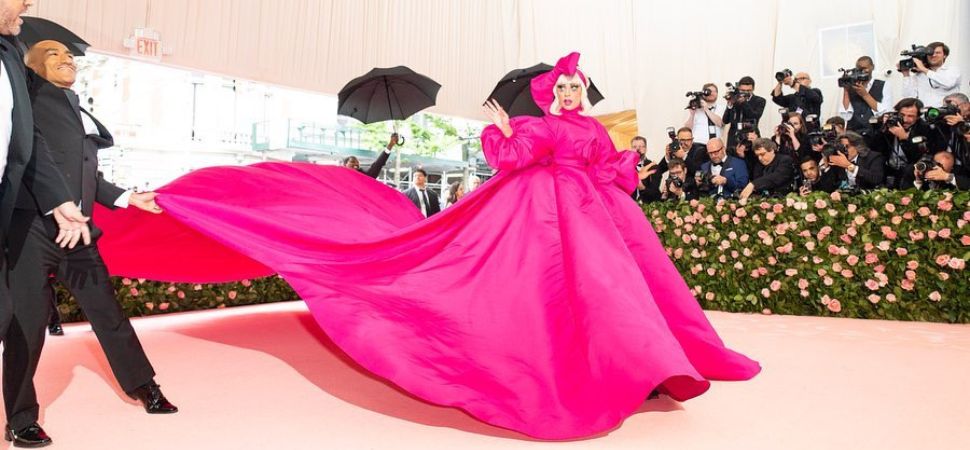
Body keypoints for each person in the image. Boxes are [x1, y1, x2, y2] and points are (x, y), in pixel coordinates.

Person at [90, 52, 760, 440]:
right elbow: (550, 163)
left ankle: (637, 371)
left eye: (574, 88)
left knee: (608, 298)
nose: (569, 93)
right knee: (588, 299)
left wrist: (531, 142)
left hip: (586, 220)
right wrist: (522, 140)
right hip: (569, 221)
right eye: (563, 88)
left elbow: (558, 163)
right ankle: (626, 373)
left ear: (581, 92)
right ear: (553, 92)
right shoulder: (566, 128)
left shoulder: (574, 130)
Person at [4, 41, 179, 437]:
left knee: (109, 316)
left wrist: (127, 197)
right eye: (53, 54)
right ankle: (21, 420)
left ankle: (144, 387)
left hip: (79, 233)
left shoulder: (74, 106)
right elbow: (29, 162)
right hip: (33, 230)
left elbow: (87, 177)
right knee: (26, 328)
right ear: (30, 66)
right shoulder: (26, 101)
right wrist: (56, 206)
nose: (67, 59)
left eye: (69, 55)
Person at [0, 2, 92, 446]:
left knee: (15, 320)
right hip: (23, 226)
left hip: (39, 217)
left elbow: (27, 142)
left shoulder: (12, 57)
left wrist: (60, 201)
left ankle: (19, 417)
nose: (27, 4)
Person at [838, 56, 893, 133]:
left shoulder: (884, 85)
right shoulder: (851, 86)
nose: (862, 71)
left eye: (865, 68)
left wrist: (865, 95)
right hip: (855, 134)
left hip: (876, 133)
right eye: (859, 69)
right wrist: (846, 90)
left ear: (872, 67)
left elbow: (885, 112)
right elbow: (846, 115)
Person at [900, 42, 962, 107]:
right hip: (925, 114)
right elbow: (908, 96)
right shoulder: (920, 74)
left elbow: (948, 83)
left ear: (945, 55)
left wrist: (924, 69)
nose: (933, 55)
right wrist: (906, 74)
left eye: (937, 53)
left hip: (945, 113)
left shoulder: (953, 70)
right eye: (930, 53)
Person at [723, 76, 766, 149]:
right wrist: (729, 105)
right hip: (733, 138)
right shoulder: (735, 99)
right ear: (739, 88)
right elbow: (725, 120)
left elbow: (754, 116)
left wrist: (744, 102)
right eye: (743, 90)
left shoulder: (760, 100)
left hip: (750, 136)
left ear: (753, 89)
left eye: (748, 90)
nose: (745, 92)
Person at [630, 136, 661, 203]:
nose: (637, 149)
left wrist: (642, 188)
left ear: (646, 149)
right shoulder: (626, 167)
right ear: (631, 149)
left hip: (649, 205)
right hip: (631, 206)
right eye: (634, 147)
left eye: (641, 146)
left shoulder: (653, 166)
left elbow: (655, 192)